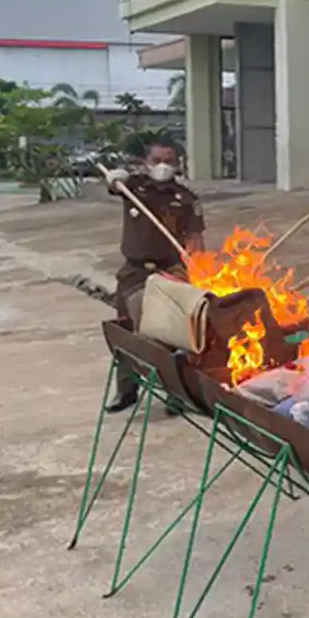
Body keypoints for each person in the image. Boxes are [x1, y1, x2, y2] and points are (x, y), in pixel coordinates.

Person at [103, 137, 205, 414]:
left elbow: (195, 237)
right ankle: (126, 390)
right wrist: (115, 178)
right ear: (145, 163)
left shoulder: (186, 199)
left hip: (170, 272)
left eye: (169, 161)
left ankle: (176, 393)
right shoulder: (133, 187)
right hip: (134, 270)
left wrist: (195, 266)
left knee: (168, 334)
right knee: (127, 331)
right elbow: (114, 186)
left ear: (178, 164)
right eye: (157, 160)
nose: (163, 166)